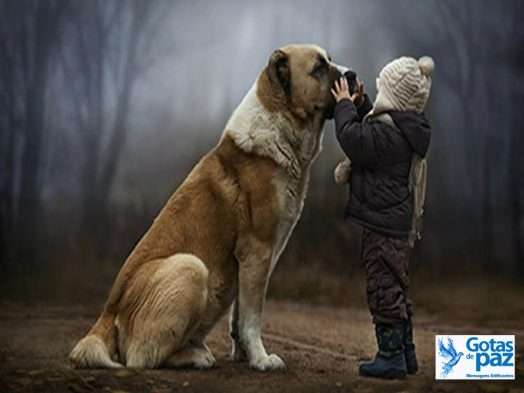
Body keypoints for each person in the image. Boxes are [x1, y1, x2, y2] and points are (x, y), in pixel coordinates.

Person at [330, 56, 434, 379]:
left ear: (395, 97)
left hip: (381, 226)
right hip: (395, 225)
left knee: (382, 287)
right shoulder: (403, 130)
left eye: (381, 90)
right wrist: (362, 104)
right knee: (397, 286)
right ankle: (406, 352)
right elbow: (374, 127)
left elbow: (353, 138)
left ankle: (390, 357)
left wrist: (344, 106)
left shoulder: (388, 138)